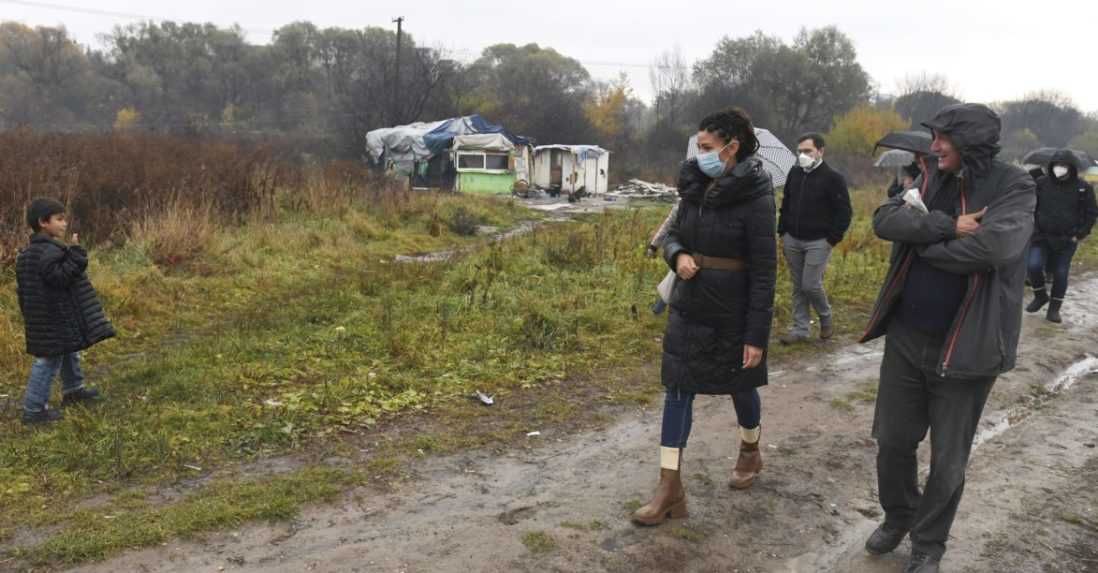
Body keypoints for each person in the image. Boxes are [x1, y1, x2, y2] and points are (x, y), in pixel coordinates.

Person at [859, 103, 1035, 573]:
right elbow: (884, 220)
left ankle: (928, 545)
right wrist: (943, 227)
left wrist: (924, 248)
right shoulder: (932, 176)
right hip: (907, 337)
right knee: (893, 441)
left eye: (941, 138)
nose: (932, 147)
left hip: (969, 347)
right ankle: (900, 516)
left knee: (948, 460)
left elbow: (995, 247)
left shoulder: (1014, 185)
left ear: (969, 142)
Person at [632, 107, 777, 525]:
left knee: (740, 386)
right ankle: (669, 487)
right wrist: (676, 256)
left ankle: (750, 449)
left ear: (732, 148)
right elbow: (674, 234)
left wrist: (756, 335)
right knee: (678, 388)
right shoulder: (693, 186)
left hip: (733, 311)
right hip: (690, 305)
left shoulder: (757, 196)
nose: (699, 154)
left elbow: (765, 271)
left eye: (707, 147)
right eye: (698, 146)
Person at [16, 198, 115, 424]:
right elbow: (59, 278)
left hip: (42, 316)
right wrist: (77, 256)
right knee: (48, 360)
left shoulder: (30, 252)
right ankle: (33, 410)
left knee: (68, 350)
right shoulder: (48, 251)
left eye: (64, 218)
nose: (64, 224)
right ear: (43, 222)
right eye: (59, 219)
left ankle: (73, 390)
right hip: (52, 317)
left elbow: (25, 290)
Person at [777, 132, 852, 344]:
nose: (803, 155)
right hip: (793, 238)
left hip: (819, 241)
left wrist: (832, 238)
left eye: (807, 151)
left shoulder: (833, 178)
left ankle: (825, 317)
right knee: (797, 285)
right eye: (800, 151)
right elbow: (786, 202)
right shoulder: (794, 173)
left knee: (810, 284)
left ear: (820, 151)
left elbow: (844, 211)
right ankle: (800, 329)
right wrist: (782, 231)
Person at [1024, 149, 1098, 323]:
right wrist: (1032, 227)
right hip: (1041, 236)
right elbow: (1030, 205)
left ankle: (1054, 309)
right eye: (1057, 165)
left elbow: (1091, 213)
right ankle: (1040, 295)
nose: (1059, 169)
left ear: (1071, 167)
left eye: (1063, 165)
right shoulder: (1041, 183)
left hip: (1067, 239)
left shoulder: (1083, 188)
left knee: (1060, 273)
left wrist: (1080, 233)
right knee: (1033, 266)